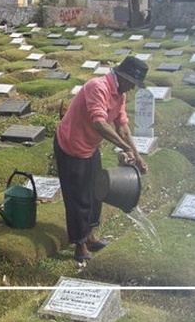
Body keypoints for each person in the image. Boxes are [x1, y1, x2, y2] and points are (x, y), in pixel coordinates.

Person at [54, 55, 149, 262]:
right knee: (78, 197)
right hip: (71, 145)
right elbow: (99, 124)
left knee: (97, 190)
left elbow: (122, 126)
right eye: (132, 83)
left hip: (89, 146)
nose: (133, 88)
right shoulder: (97, 87)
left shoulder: (120, 94)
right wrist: (125, 148)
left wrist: (138, 156)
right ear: (123, 77)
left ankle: (90, 235)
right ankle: (79, 244)